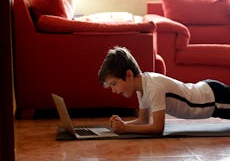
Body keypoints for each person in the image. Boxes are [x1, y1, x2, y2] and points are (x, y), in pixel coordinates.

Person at [98, 46, 230, 135]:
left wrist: (125, 128)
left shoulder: (153, 87)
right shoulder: (141, 87)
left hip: (213, 99)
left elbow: (157, 128)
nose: (114, 91)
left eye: (114, 84)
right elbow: (143, 120)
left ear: (129, 75)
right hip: (207, 91)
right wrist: (122, 124)